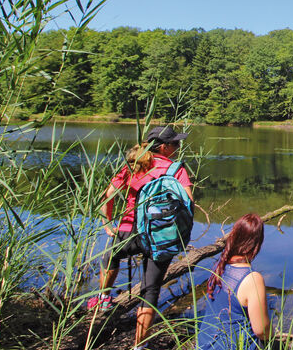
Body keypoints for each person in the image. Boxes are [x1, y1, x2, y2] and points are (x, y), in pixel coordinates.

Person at [90, 125, 194, 350]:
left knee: (109, 257)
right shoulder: (177, 169)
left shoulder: (134, 164)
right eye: (176, 143)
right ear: (164, 147)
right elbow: (189, 203)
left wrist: (108, 223)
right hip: (160, 235)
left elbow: (107, 195)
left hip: (130, 231)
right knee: (151, 289)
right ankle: (138, 345)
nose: (178, 147)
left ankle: (104, 299)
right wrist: (179, 233)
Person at [197, 213, 271, 350]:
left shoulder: (220, 265)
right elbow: (261, 331)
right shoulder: (252, 279)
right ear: (257, 243)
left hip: (204, 344)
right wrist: (272, 334)